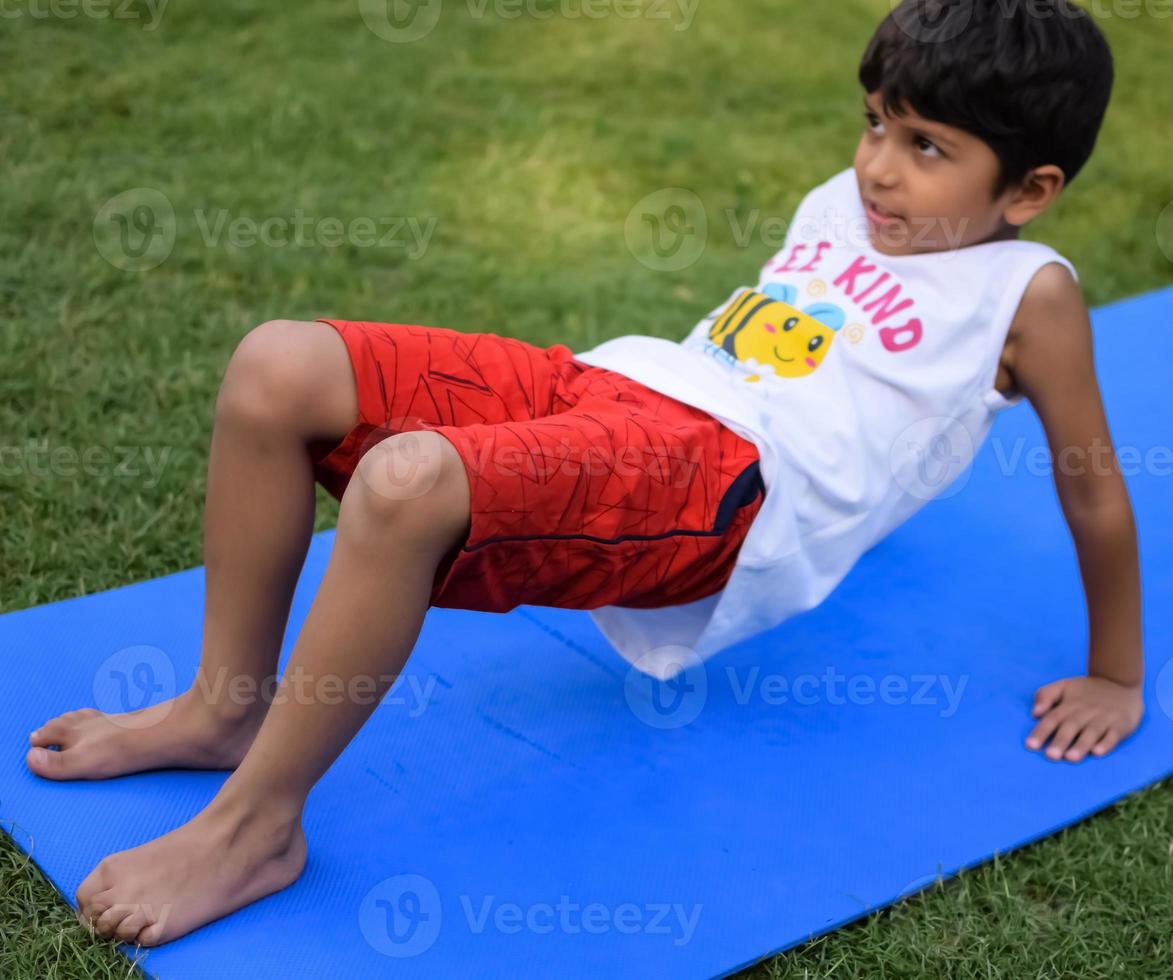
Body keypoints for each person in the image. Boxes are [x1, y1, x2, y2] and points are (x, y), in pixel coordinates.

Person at [26, 0, 1144, 948]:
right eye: (873, 125)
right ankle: (223, 708)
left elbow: (1090, 479)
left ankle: (256, 823)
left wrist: (1118, 675)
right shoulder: (851, 202)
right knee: (277, 364)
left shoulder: (1027, 293)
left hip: (727, 489)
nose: (877, 168)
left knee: (412, 482)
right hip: (632, 386)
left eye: (926, 148)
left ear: (1031, 189)